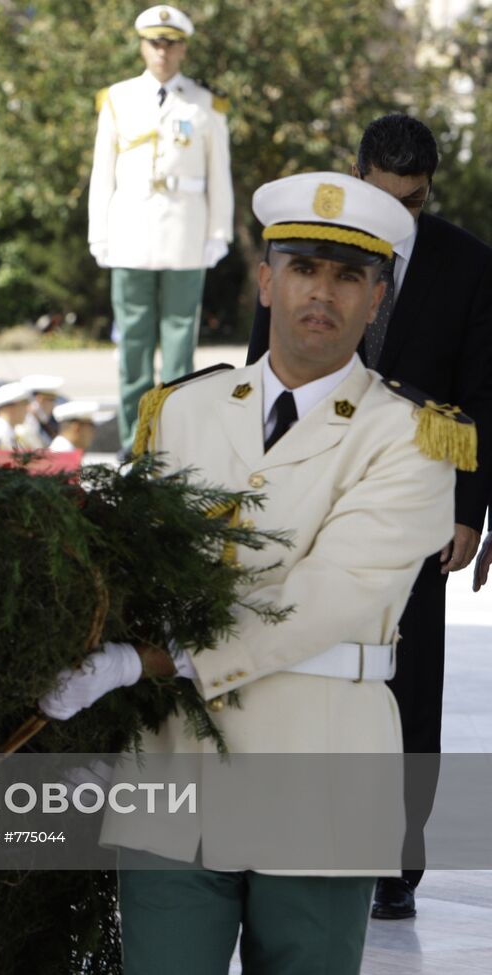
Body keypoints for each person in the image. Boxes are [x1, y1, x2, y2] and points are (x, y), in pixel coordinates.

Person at [41, 172, 464, 973]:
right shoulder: (181, 411)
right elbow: (135, 573)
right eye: (304, 267)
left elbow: (324, 601)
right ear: (267, 281)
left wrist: (142, 662)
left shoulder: (411, 437)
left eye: (349, 277)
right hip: (171, 770)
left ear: (379, 301)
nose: (323, 292)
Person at [246, 114, 492, 919]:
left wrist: (469, 507)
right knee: (289, 657)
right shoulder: (306, 241)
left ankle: (397, 862)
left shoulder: (468, 264)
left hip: (411, 496)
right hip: (304, 482)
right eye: (383, 196)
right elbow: (263, 361)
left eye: (413, 203)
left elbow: (484, 388)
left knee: (408, 681)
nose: (398, 216)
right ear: (355, 176)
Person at [89, 4, 233, 452]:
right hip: (130, 233)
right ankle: (135, 442)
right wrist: (100, 232)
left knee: (178, 346)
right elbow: (103, 172)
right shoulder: (117, 98)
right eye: (155, 42)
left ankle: (172, 444)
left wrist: (218, 233)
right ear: (141, 46)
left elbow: (219, 174)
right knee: (132, 346)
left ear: (183, 48)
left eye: (170, 43)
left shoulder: (206, 103)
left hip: (186, 234)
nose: (163, 52)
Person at [48, 401, 113, 453]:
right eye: (91, 426)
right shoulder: (63, 454)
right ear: (77, 427)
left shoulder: (65, 451)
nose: (93, 432)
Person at [19, 373, 65, 448]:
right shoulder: (24, 429)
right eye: (51, 400)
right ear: (39, 399)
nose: (53, 405)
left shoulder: (42, 425)